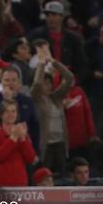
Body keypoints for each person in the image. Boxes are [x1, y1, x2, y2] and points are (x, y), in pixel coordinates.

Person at [30, 43, 74, 177]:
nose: (47, 85)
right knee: (44, 177)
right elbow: (37, 83)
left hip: (60, 144)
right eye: (45, 82)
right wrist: (42, 64)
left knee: (63, 178)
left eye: (49, 82)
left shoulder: (56, 98)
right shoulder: (35, 98)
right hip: (46, 145)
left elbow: (69, 78)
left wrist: (53, 61)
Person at [0, 66, 39, 151]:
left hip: (23, 147)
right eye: (7, 80)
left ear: (19, 83)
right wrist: (6, 101)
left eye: (14, 80)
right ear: (1, 82)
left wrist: (36, 150)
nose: (10, 83)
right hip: (0, 147)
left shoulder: (26, 101)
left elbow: (34, 126)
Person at [0, 99, 38, 187]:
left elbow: (30, 159)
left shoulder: (22, 132)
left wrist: (23, 139)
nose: (11, 114)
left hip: (20, 184)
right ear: (1, 114)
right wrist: (14, 138)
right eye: (7, 111)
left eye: (13, 111)